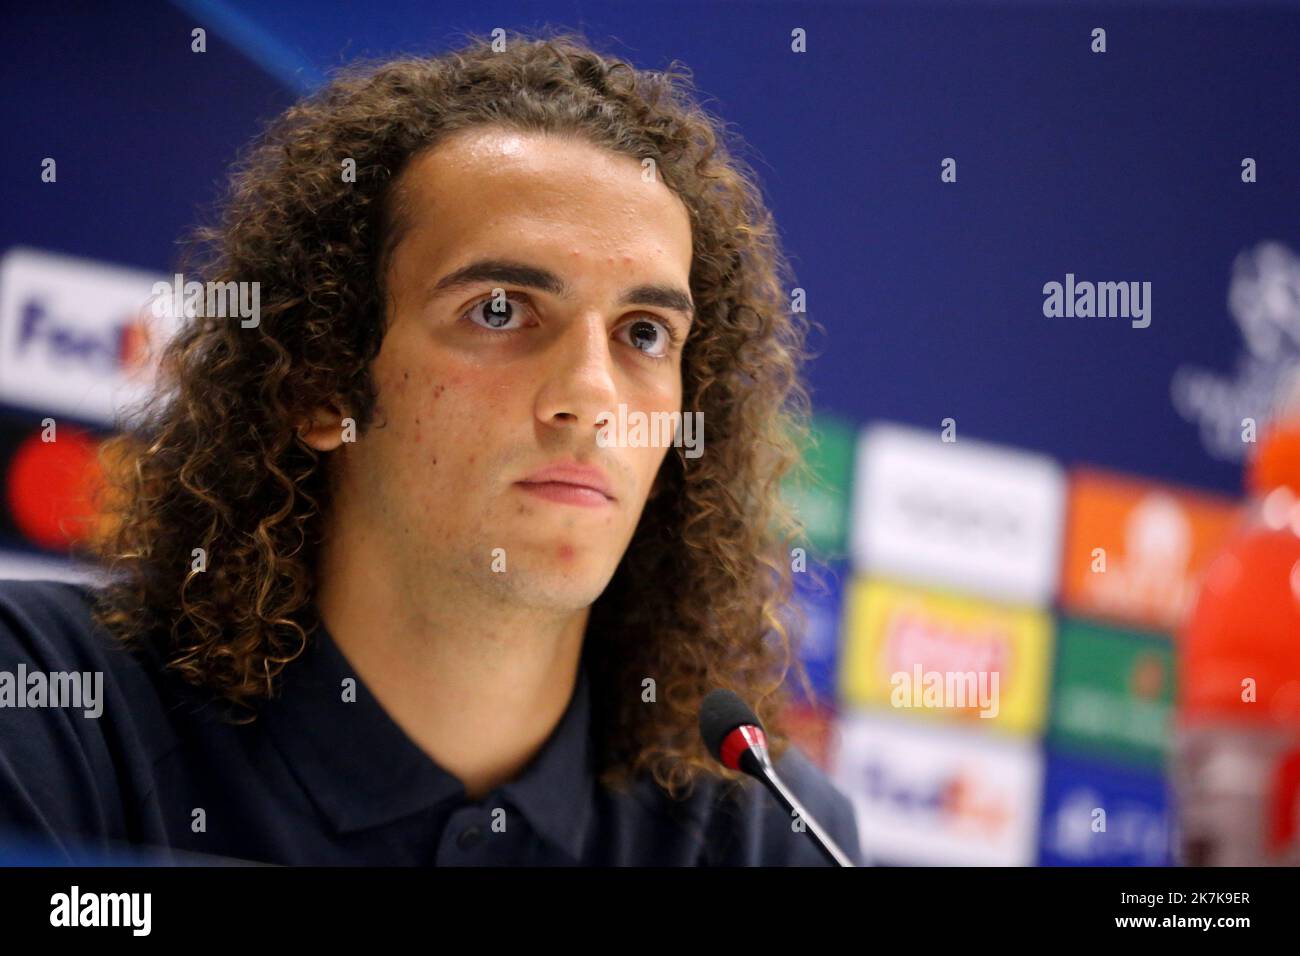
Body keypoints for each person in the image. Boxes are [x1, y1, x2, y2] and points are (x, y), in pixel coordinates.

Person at [0, 31, 862, 866]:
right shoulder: (55, 711)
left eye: (643, 333)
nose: (593, 397)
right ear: (320, 383)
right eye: (499, 310)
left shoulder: (767, 834)